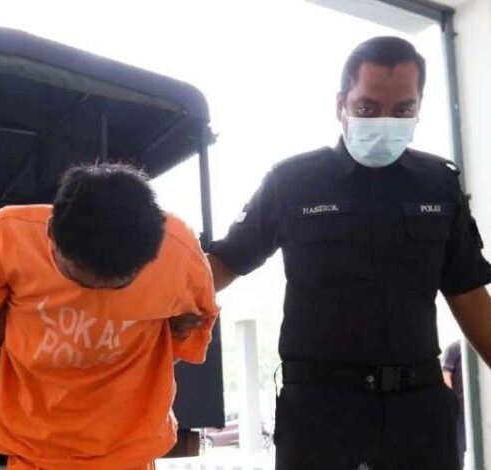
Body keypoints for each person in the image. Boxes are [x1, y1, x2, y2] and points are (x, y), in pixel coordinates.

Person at [207, 36, 491, 469]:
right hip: (321, 414)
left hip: (420, 412)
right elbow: (224, 263)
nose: (385, 122)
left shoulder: (438, 185)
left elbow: (468, 293)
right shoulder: (293, 183)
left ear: (419, 107)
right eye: (368, 108)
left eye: (402, 111)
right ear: (341, 105)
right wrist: (140, 300)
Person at [0, 163, 218, 470]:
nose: (95, 295)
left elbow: (182, 341)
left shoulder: (179, 250)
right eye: (79, 279)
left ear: (155, 251)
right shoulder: (5, 236)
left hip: (129, 452)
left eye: (118, 285)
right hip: (33, 452)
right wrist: (19, 353)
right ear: (51, 232)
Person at [442, 339, 466, 468]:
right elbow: (446, 375)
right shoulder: (456, 348)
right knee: (457, 452)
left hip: (479, 410)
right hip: (460, 412)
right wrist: (451, 403)